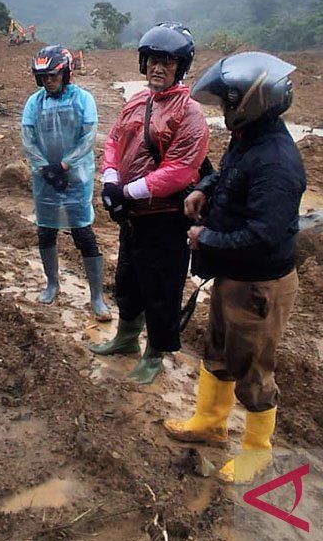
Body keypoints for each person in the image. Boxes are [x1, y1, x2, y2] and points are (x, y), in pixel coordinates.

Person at [162, 51, 306, 484]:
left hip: (259, 284)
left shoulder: (277, 162)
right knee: (219, 351)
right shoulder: (252, 139)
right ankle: (210, 421)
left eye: (229, 101)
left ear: (253, 101)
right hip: (235, 275)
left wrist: (206, 238)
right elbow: (228, 174)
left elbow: (265, 234)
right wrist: (204, 188)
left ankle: (258, 451)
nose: (224, 110)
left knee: (254, 370)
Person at [89, 23, 209, 384]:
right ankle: (126, 339)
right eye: (153, 60)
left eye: (167, 62)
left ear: (180, 67)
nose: (158, 68)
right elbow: (115, 140)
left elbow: (179, 170)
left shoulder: (190, 113)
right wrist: (110, 179)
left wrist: (128, 192)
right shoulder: (138, 101)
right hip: (134, 218)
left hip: (166, 218)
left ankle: (155, 353)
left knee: (161, 289)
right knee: (128, 280)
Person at [21, 45, 111, 321]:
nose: (48, 81)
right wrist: (43, 168)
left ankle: (96, 296)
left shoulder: (83, 99)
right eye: (43, 77)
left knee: (83, 235)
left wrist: (65, 164)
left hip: (75, 179)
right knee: (46, 232)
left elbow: (88, 136)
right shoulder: (34, 103)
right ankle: (52, 283)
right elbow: (28, 136)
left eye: (53, 76)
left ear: (66, 73)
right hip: (45, 180)